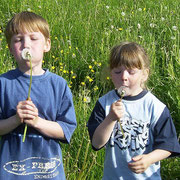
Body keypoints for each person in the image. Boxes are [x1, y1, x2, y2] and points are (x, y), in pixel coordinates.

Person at [0, 11, 77, 180]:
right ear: (10, 48)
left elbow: (66, 131)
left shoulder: (59, 85)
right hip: (10, 174)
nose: (26, 45)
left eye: (33, 38)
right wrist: (15, 120)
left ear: (47, 45)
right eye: (18, 39)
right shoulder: (3, 83)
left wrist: (36, 122)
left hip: (49, 173)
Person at [87, 41, 180, 179]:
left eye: (131, 72)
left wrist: (149, 159)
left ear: (144, 74)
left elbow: (168, 146)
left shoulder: (155, 107)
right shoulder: (104, 103)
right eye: (117, 71)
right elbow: (96, 143)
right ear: (111, 74)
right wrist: (110, 118)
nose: (124, 77)